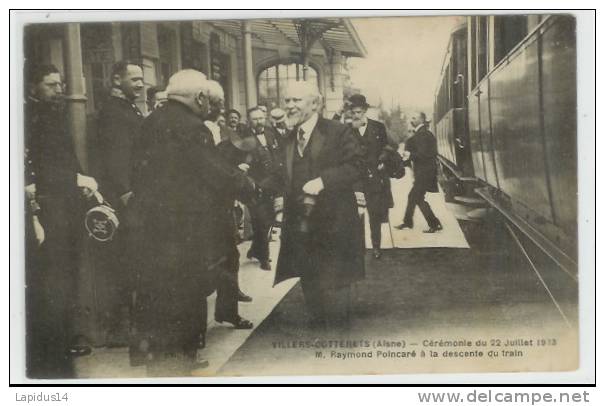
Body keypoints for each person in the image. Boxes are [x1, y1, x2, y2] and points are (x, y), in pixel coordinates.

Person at [128, 70, 257, 376]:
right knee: (184, 300)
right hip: (183, 233)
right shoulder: (192, 127)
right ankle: (178, 367)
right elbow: (215, 173)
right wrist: (252, 187)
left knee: (155, 300)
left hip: (150, 230)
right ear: (200, 98)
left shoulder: (151, 122)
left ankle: (158, 364)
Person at [25, 64, 99, 378]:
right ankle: (57, 340)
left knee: (67, 272)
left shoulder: (53, 116)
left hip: (65, 203)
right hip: (47, 206)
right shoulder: (28, 119)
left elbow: (66, 157)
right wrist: (74, 179)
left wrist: (79, 177)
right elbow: (40, 167)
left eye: (60, 84)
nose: (58, 90)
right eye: (51, 85)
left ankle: (66, 335)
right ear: (33, 88)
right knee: (53, 276)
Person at [271, 81, 365, 328]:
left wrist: (323, 181)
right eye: (287, 101)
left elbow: (356, 166)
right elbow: (281, 176)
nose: (289, 106)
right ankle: (317, 319)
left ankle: (339, 328)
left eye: (296, 101)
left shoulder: (338, 131)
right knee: (307, 271)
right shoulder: (289, 138)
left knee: (336, 276)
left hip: (334, 220)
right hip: (300, 222)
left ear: (315, 104)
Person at [95, 61, 144, 346]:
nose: (140, 84)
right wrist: (126, 192)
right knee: (122, 262)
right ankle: (118, 328)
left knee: (131, 260)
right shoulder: (113, 112)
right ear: (116, 80)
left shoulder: (128, 107)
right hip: (122, 198)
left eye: (141, 79)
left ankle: (127, 324)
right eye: (134, 79)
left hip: (131, 195)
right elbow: (116, 157)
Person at [347, 94, 394, 259]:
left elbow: (388, 146)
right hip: (354, 180)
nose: (356, 115)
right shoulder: (346, 130)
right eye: (353, 112)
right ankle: (358, 249)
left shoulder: (378, 127)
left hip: (374, 177)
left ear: (365, 111)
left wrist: (383, 159)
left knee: (374, 214)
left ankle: (376, 247)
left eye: (359, 112)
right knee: (355, 216)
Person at [243, 106, 280, 271]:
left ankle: (255, 249)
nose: (259, 122)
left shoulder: (271, 133)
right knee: (261, 221)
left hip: (271, 184)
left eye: (261, 118)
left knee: (268, 220)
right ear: (249, 120)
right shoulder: (243, 137)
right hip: (254, 185)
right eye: (255, 119)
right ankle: (265, 258)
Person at [395, 112, 443, 233]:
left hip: (425, 172)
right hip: (424, 172)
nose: (411, 119)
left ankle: (432, 223)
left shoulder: (423, 135)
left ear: (421, 120)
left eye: (414, 117)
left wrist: (410, 155)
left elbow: (424, 155)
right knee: (415, 197)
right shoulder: (424, 134)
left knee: (415, 196)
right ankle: (410, 222)